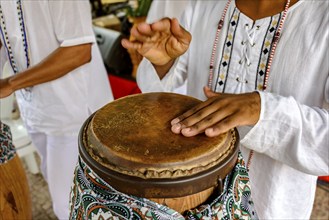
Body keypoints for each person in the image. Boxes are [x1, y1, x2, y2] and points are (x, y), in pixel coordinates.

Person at [122, 0, 329, 219]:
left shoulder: (322, 17)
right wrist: (163, 63)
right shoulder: (204, 6)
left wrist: (262, 110)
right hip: (191, 202)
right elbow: (163, 93)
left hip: (273, 207)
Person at [0, 1, 113, 219]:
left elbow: (79, 50)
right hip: (34, 108)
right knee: (54, 182)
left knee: (70, 204)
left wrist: (11, 84)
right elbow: (7, 37)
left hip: (72, 111)